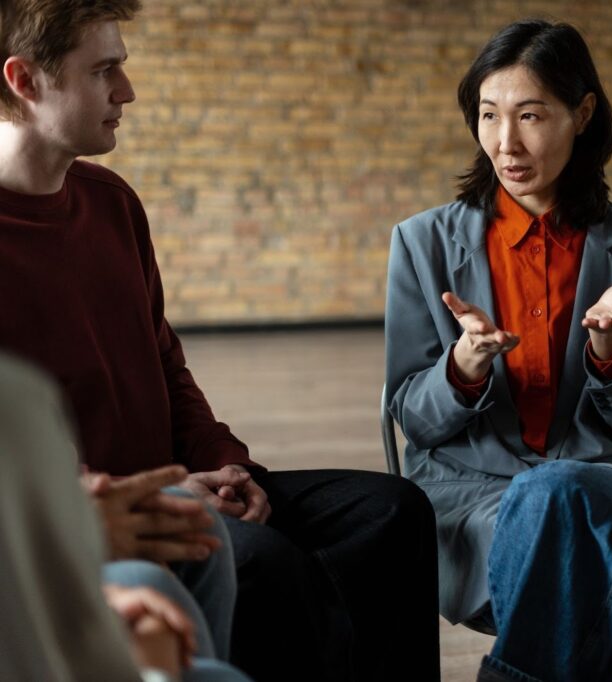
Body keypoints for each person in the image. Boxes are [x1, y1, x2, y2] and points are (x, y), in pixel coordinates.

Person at [0, 1, 440, 679]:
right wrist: (165, 493)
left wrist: (229, 466)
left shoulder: (112, 202)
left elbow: (166, 364)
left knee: (392, 512)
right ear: (25, 80)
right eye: (103, 71)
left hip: (188, 484)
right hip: (101, 515)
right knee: (263, 563)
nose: (127, 91)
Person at [386, 19, 612, 682]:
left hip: (602, 474)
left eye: (530, 115)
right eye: (489, 115)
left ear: (582, 114)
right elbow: (416, 421)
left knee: (559, 492)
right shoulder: (421, 243)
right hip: (470, 486)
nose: (505, 143)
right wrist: (463, 367)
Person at [0, 350, 250, 682]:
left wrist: (225, 461)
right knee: (147, 581)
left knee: (197, 522)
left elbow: (173, 374)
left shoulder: (20, 394)